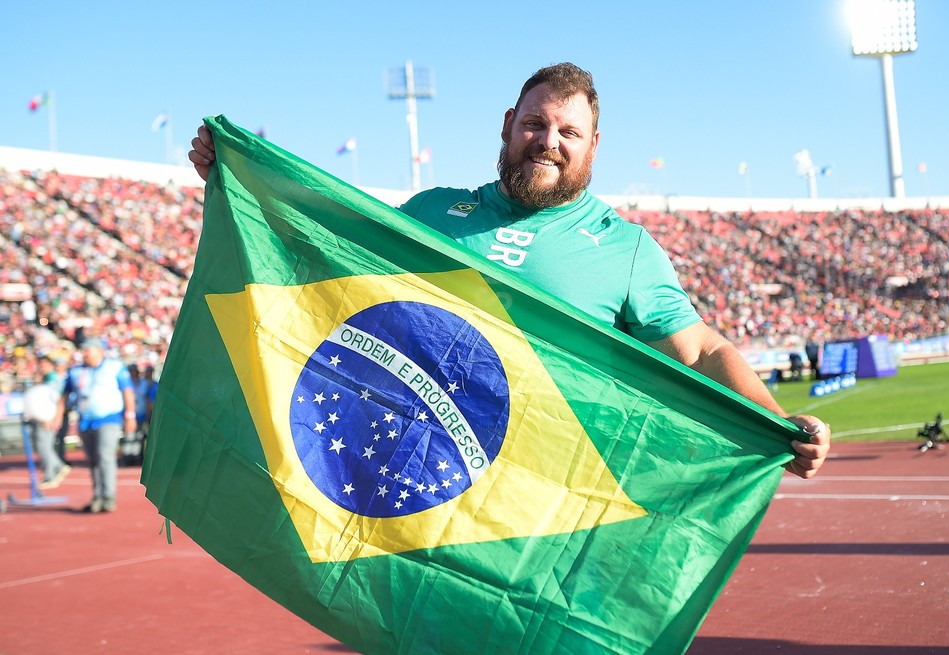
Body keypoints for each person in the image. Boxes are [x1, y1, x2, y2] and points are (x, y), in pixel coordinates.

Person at [189, 62, 830, 479]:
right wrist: (240, 179)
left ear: (593, 146)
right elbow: (323, 252)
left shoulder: (624, 248)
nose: (549, 140)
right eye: (535, 123)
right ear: (508, 126)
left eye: (568, 131)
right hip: (421, 471)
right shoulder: (431, 213)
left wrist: (774, 419)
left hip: (544, 491)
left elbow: (699, 349)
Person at [50, 338, 137, 512]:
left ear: (99, 351)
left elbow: (127, 391)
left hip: (109, 419)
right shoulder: (76, 371)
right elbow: (64, 395)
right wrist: (57, 417)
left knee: (105, 456)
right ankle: (97, 496)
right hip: (85, 421)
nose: (85, 353)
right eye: (83, 350)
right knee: (93, 460)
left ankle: (109, 497)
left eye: (88, 349)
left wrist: (130, 416)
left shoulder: (115, 367)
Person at [22, 355, 71, 489]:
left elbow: (57, 400)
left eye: (44, 365)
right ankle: (56, 468)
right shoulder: (45, 379)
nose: (41, 368)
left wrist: (53, 417)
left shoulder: (53, 379)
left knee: (44, 446)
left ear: (51, 365)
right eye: (40, 365)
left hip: (48, 418)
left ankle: (52, 473)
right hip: (42, 417)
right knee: (43, 446)